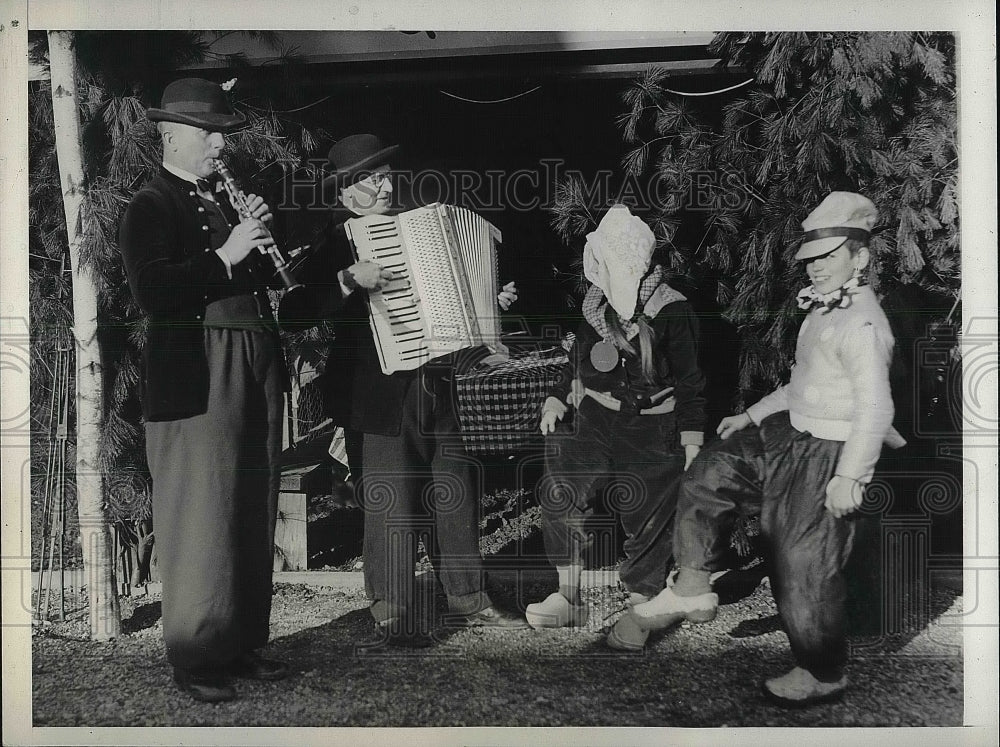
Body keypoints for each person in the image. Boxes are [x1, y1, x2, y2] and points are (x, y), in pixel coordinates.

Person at [630, 192, 906, 705]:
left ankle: (823, 671)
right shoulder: (823, 310)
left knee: (802, 559)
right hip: (790, 431)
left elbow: (875, 408)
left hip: (831, 449)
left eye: (829, 256)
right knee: (710, 469)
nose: (816, 268)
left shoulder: (864, 324)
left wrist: (852, 477)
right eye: (811, 259)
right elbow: (802, 383)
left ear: (860, 257)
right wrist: (753, 414)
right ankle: (692, 586)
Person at [279, 134, 526, 645]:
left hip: (440, 382)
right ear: (346, 193)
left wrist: (491, 298)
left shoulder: (423, 228)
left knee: (454, 490)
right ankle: (391, 608)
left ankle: (467, 598)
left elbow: (457, 299)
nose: (384, 184)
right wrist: (349, 280)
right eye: (370, 178)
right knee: (390, 500)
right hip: (377, 395)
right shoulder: (336, 241)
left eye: (385, 174)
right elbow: (293, 311)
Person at [119, 78, 290, 702]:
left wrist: (259, 245)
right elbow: (152, 292)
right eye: (211, 134)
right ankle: (197, 655)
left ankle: (242, 641)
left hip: (252, 358)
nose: (221, 144)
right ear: (174, 135)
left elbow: (264, 280)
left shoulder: (222, 198)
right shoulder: (150, 204)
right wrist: (225, 255)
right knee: (201, 510)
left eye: (222, 134)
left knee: (250, 499)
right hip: (199, 370)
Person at [525, 204, 706, 651]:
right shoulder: (595, 307)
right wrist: (556, 395)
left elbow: (691, 381)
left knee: (648, 512)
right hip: (597, 418)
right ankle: (569, 596)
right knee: (560, 489)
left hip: (651, 425)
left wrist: (692, 440)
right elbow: (576, 360)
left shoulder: (672, 311)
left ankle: (642, 601)